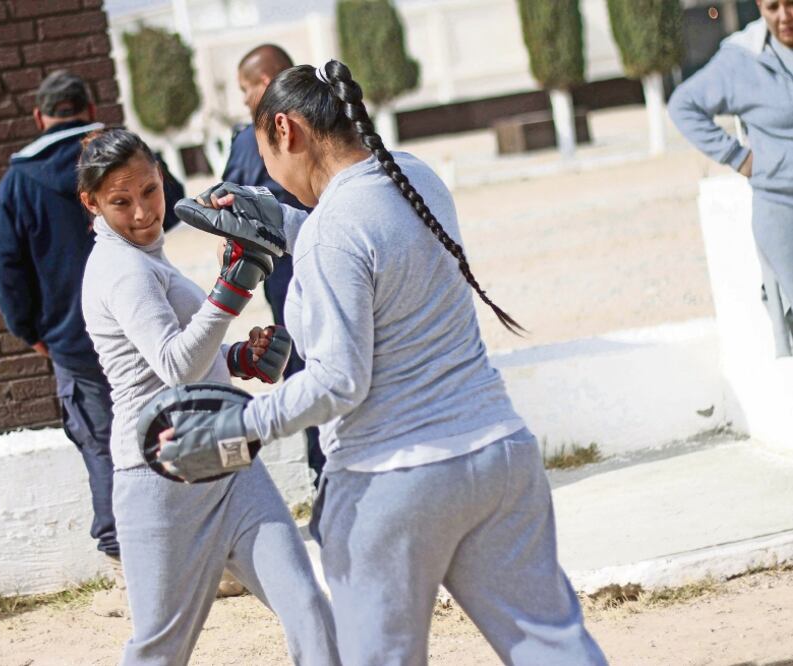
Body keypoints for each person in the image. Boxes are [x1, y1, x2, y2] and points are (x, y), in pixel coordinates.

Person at [154, 61, 607, 665]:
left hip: (392, 484)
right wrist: (284, 220)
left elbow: (339, 381)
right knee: (553, 647)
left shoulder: (330, 233)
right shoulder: (416, 178)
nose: (272, 175)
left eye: (266, 156)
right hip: (497, 457)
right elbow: (375, 241)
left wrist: (235, 426)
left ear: (286, 130)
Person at [77, 127, 339, 665]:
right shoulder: (121, 269)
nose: (144, 212)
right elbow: (174, 366)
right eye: (121, 202)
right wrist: (233, 291)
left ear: (161, 177)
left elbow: (181, 360)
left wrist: (239, 359)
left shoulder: (144, 255)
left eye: (149, 191)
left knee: (307, 604)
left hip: (225, 461)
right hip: (160, 477)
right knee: (160, 649)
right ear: (92, 203)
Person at [0, 71, 183, 616]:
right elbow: (171, 203)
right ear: (91, 105)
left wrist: (30, 332)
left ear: (39, 117)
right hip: (146, 328)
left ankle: (127, 563)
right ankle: (195, 556)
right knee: (170, 428)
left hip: (72, 339)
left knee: (107, 445)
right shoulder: (125, 156)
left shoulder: (17, 183)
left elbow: (8, 266)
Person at [222, 43, 326, 485]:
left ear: (265, 85)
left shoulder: (253, 138)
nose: (245, 101)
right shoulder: (334, 122)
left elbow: (231, 204)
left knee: (307, 367)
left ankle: (324, 471)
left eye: (246, 90)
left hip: (288, 275)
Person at [669, 0, 793, 354]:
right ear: (759, 7)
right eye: (773, 7)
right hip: (783, 209)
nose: (784, 16)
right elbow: (683, 105)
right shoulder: (742, 59)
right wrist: (739, 158)